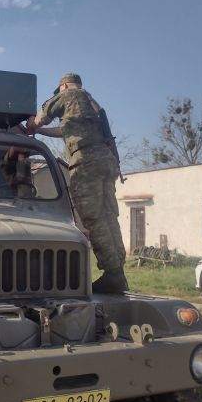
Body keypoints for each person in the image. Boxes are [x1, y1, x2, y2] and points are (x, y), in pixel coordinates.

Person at [26, 73, 129, 294]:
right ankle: (118, 271)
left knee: (93, 217)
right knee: (109, 215)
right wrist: (41, 132)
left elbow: (42, 116)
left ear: (64, 86)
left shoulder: (68, 95)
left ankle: (112, 274)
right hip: (106, 161)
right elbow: (65, 131)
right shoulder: (91, 103)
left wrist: (32, 124)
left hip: (86, 162)